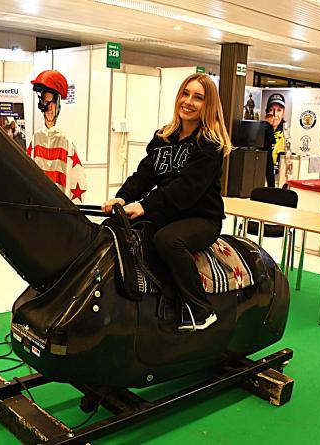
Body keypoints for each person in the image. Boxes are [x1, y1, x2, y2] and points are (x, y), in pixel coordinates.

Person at [102, 73, 232, 332]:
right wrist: (123, 196)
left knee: (167, 241)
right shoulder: (164, 136)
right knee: (114, 226)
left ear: (209, 105)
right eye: (185, 94)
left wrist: (145, 206)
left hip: (201, 217)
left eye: (198, 97)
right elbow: (145, 174)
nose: (188, 101)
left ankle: (199, 309)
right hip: (169, 212)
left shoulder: (210, 144)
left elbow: (186, 189)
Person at [27, 70, 87, 203]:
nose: (48, 108)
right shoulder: (36, 138)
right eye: (45, 102)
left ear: (58, 104)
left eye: (52, 102)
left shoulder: (65, 141)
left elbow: (75, 179)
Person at [263, 113, 276, 187]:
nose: (273, 121)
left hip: (260, 151)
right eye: (272, 119)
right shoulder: (269, 127)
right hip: (268, 151)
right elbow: (272, 140)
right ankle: (271, 187)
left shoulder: (260, 126)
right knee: (269, 171)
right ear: (269, 118)